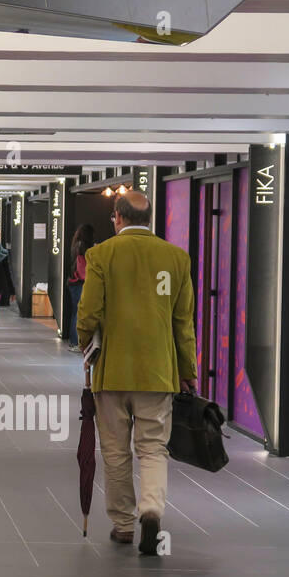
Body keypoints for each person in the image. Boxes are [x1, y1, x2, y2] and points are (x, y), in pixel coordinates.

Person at [77, 190, 195, 556]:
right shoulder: (176, 259)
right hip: (158, 372)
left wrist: (86, 346)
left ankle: (124, 525)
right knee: (154, 447)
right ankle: (151, 509)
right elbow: (183, 322)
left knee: (115, 451)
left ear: (117, 217)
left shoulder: (101, 255)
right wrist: (187, 369)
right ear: (150, 219)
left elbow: (88, 312)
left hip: (112, 372)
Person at [65, 224, 95, 353]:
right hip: (79, 282)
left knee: (75, 312)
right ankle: (76, 342)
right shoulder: (83, 246)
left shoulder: (76, 245)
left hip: (73, 282)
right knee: (78, 313)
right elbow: (83, 267)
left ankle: (73, 342)